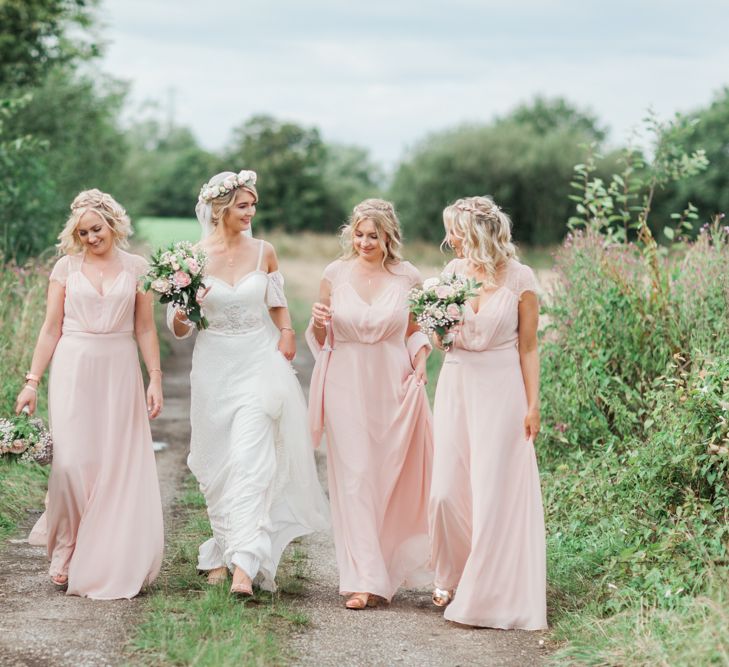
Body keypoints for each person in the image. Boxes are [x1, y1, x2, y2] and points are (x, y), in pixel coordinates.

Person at [168, 170, 328, 596]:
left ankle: (244, 565)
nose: (250, 212)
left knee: (252, 461)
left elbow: (276, 302)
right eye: (243, 205)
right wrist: (186, 308)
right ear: (220, 209)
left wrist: (289, 331)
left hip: (259, 360)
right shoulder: (192, 258)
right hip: (213, 367)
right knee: (217, 462)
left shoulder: (264, 251)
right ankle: (221, 546)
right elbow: (180, 330)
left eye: (253, 205)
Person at [15, 189, 164, 599]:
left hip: (118, 369)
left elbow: (146, 328)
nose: (90, 238)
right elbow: (50, 328)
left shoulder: (137, 268)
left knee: (111, 466)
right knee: (71, 463)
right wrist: (31, 382)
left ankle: (101, 554)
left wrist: (154, 376)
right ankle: (64, 546)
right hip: (73, 367)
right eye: (82, 233)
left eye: (96, 229)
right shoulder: (66, 267)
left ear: (113, 224)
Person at [307, 199, 433, 610]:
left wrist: (421, 361)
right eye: (359, 234)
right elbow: (322, 339)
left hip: (392, 385)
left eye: (372, 235)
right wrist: (318, 324)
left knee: (387, 478)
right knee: (355, 477)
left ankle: (387, 566)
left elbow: (414, 331)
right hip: (345, 383)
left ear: (387, 237)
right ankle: (362, 578)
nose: (364, 242)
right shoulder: (334, 274)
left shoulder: (407, 276)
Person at [428, 195, 547, 629]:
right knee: (444, 490)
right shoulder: (452, 274)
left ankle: (487, 588)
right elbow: (444, 341)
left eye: (454, 232)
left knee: (492, 491)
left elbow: (529, 347)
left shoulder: (522, 279)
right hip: (457, 385)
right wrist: (438, 331)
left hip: (501, 391)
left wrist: (533, 404)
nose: (448, 240)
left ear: (476, 234)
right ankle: (452, 571)